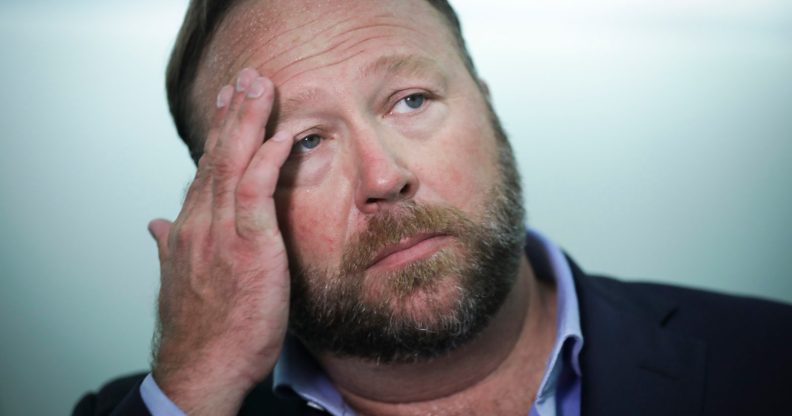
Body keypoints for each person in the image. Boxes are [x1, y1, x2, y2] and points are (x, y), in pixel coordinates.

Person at [74, 1, 792, 415]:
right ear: (225, 207)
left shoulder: (770, 362)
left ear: (486, 101)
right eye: (305, 143)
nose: (384, 177)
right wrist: (193, 386)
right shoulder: (170, 406)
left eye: (411, 100)